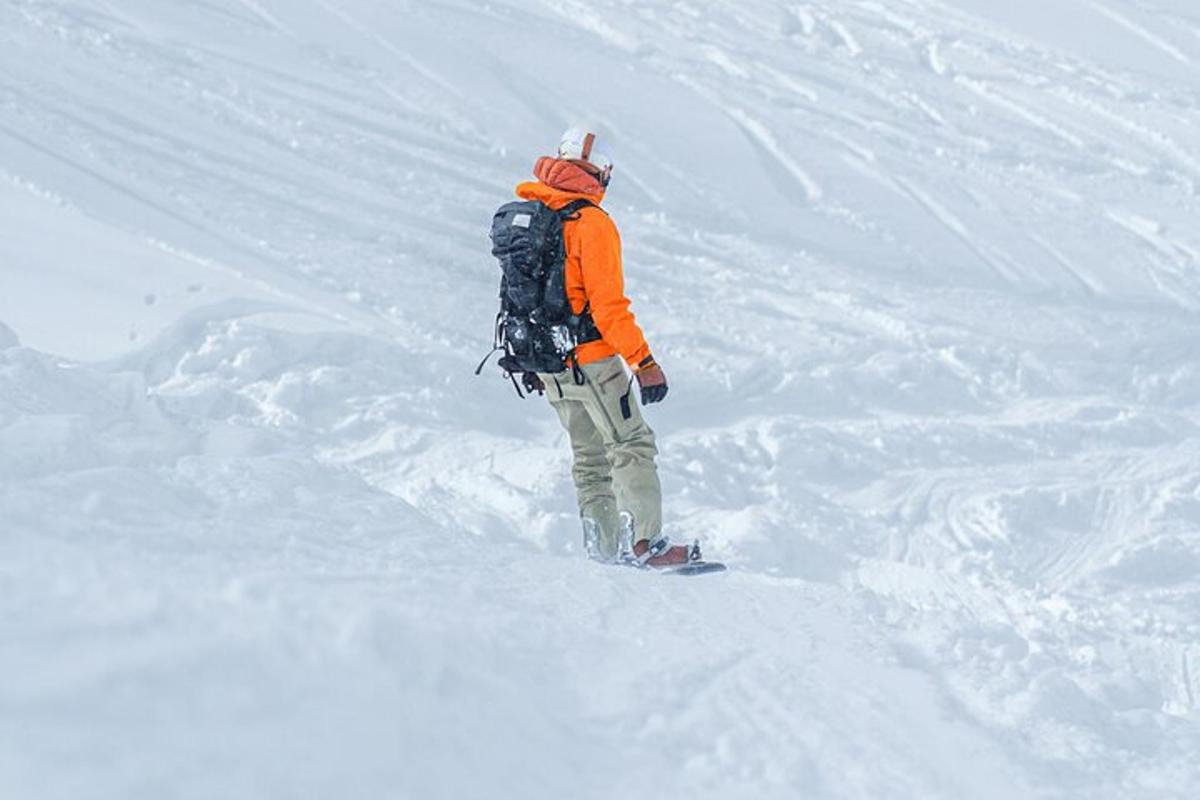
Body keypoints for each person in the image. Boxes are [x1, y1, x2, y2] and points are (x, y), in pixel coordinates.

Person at [514, 127, 690, 567]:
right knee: (631, 444)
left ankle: (604, 551)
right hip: (592, 360)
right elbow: (609, 307)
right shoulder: (590, 222)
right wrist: (644, 362)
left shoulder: (532, 212)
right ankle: (647, 546)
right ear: (603, 172)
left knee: (589, 460)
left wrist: (533, 358)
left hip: (549, 362)